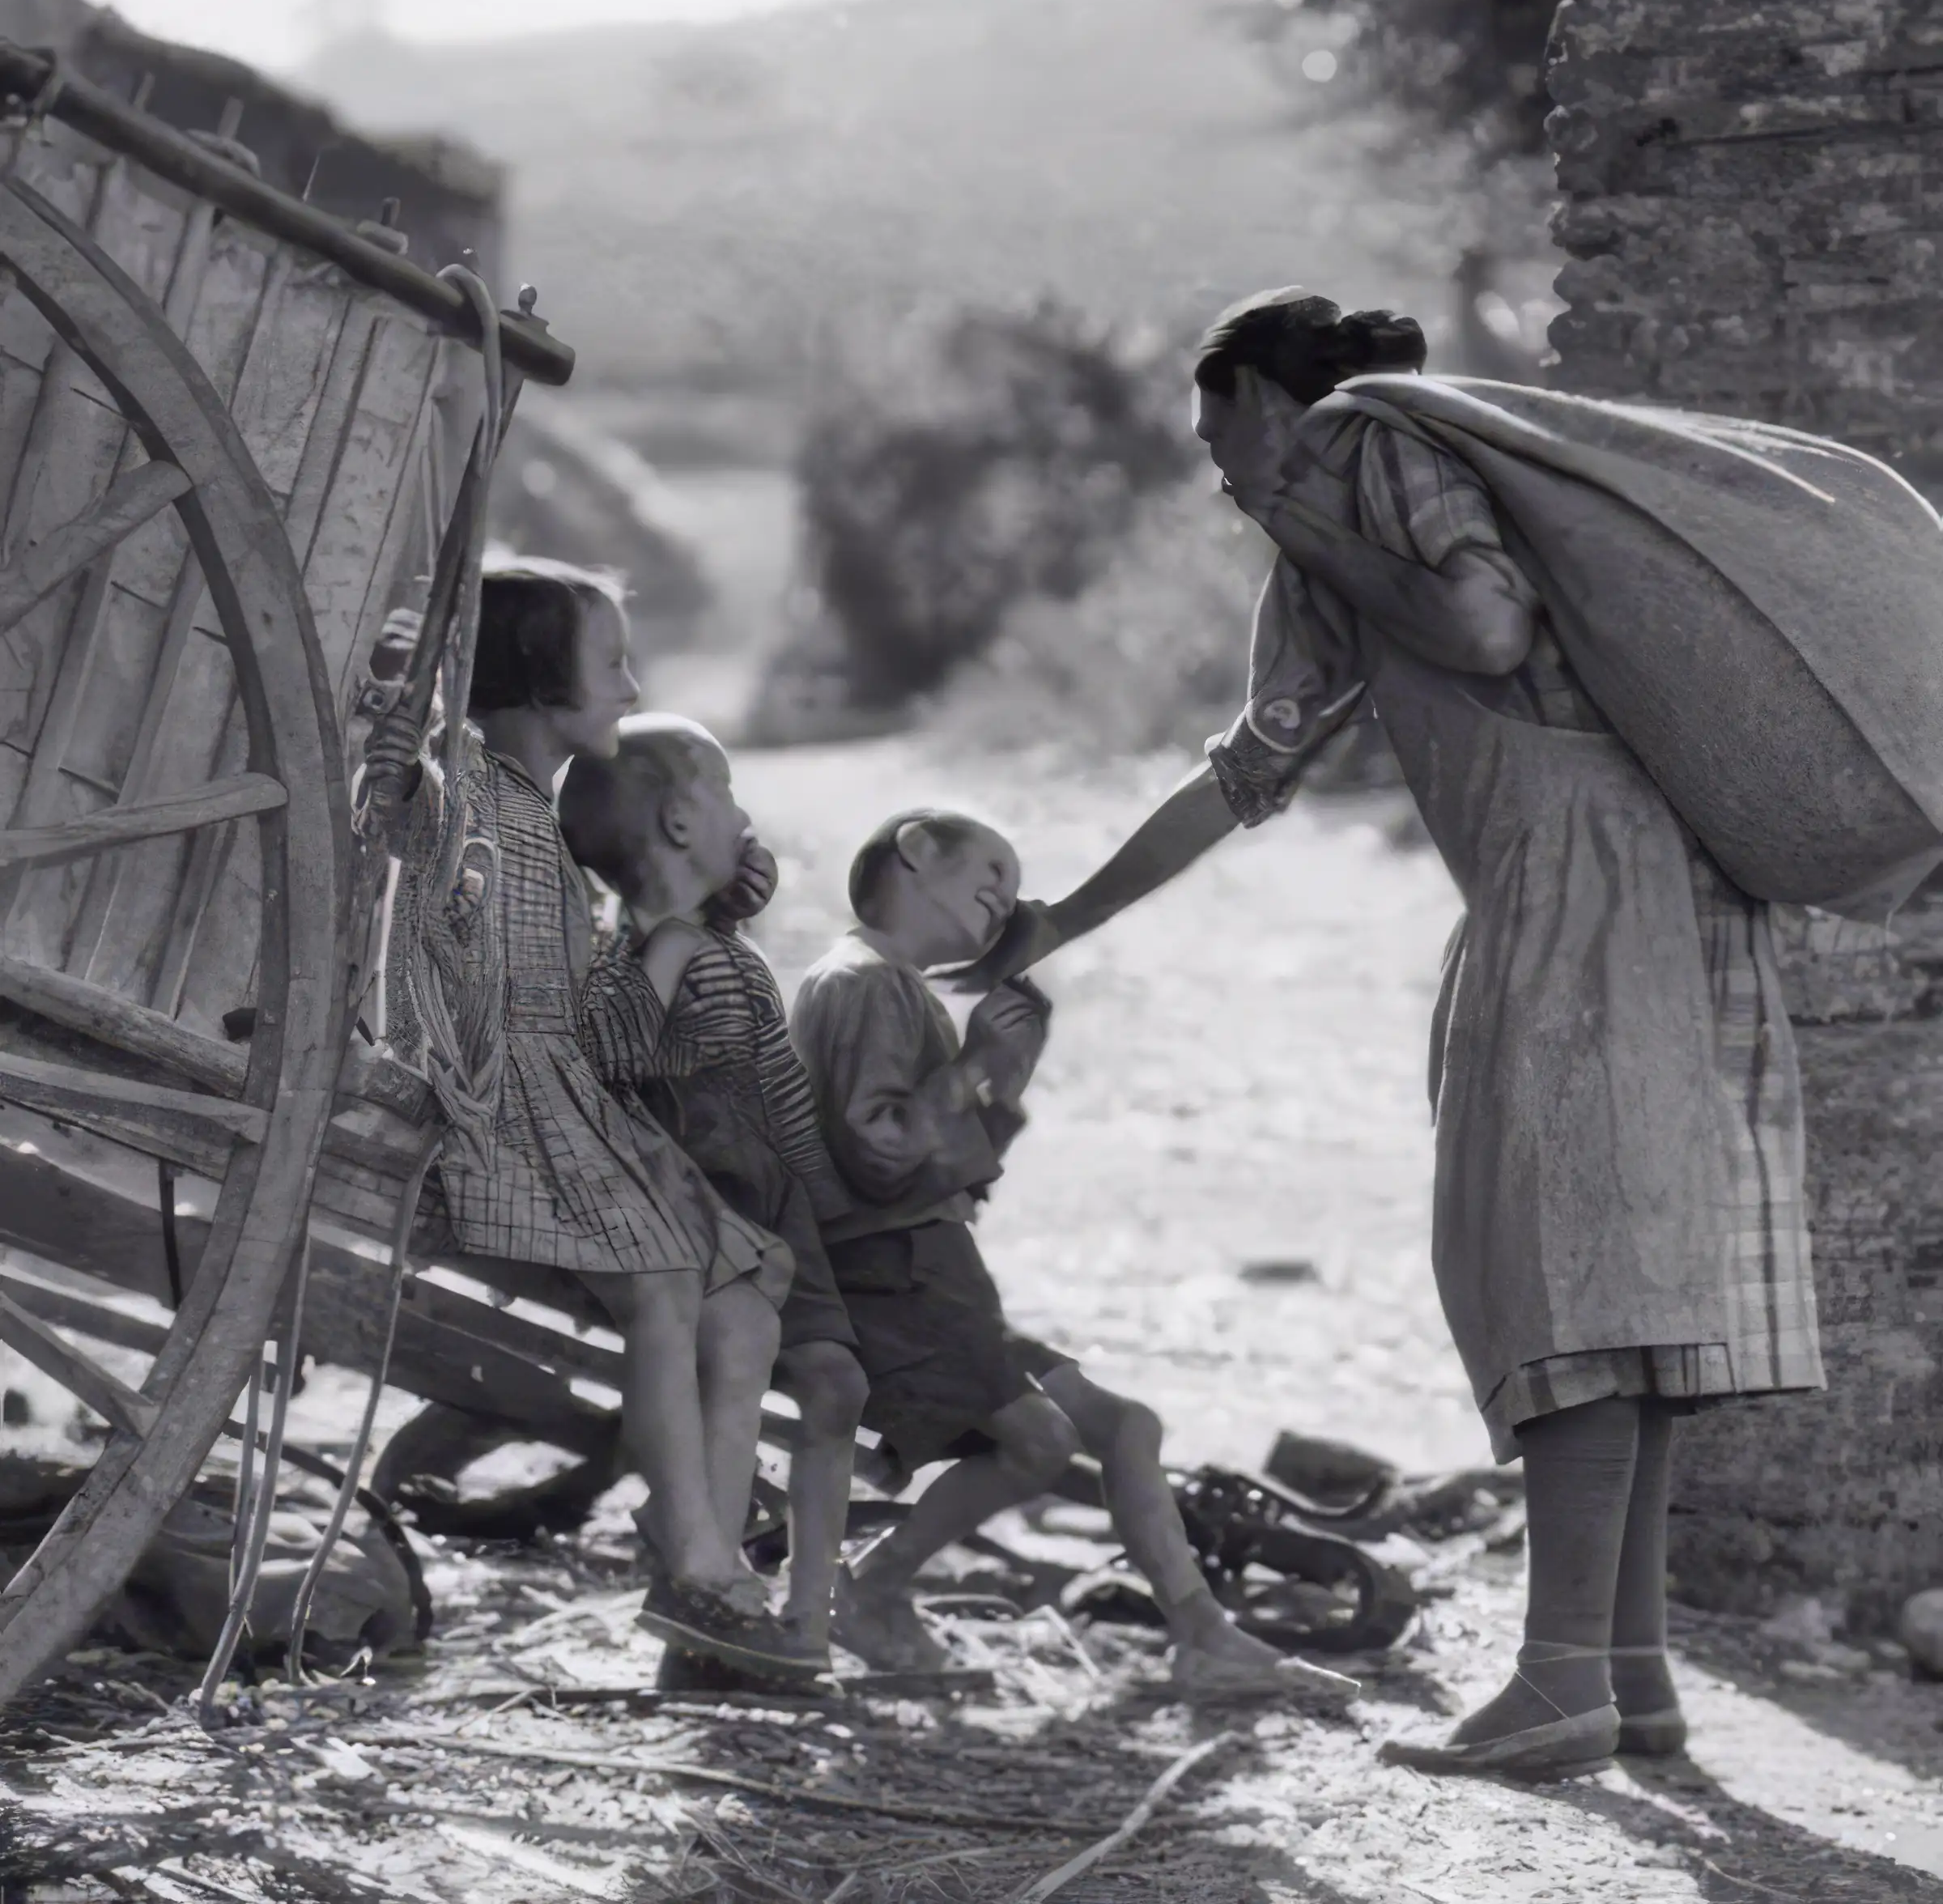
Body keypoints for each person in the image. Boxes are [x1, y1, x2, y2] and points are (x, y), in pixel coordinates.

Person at [958, 289, 1822, 1779]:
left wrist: (1304, 505)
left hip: (1584, 881)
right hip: (1638, 884)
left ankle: (1562, 1680)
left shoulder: (1370, 444)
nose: (1215, 463)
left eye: (1216, 424)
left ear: (1266, 399)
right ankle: (1627, 1671)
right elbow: (1246, 771)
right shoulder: (1341, 509)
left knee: (1568, 1278)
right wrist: (1055, 925)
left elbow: (1485, 625)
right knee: (1627, 1270)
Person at [791, 807, 1361, 1705]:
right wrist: (975, 1062)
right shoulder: (861, 981)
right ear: (913, 852)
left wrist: (999, 1076)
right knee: (1039, 1441)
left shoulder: (893, 988)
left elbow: (940, 1167)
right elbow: (881, 1153)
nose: (1002, 904)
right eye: (992, 876)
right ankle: (869, 1587)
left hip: (931, 1275)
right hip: (889, 1279)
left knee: (1122, 1425)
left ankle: (1204, 1636)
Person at [363, 561, 811, 1678]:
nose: (632, 684)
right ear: (536, 682)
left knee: (748, 1297)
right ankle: (699, 1562)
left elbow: (599, 1025)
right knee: (666, 1286)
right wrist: (399, 750)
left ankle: (696, 1542)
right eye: (610, 663)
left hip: (560, 1089)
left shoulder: (543, 823)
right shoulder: (470, 787)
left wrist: (685, 920)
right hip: (492, 1098)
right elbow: (413, 817)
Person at [561, 715, 869, 1674]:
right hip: (703, 1195)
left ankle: (751, 1603)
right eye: (729, 796)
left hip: (772, 1194)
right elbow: (612, 1052)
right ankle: (706, 1592)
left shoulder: (724, 952)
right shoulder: (637, 954)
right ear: (684, 824)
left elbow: (777, 1087)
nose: (748, 818)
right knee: (744, 1353)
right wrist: (683, 938)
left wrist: (826, 1189)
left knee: (825, 1377)